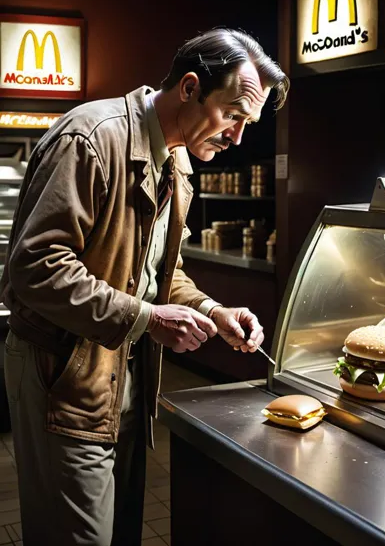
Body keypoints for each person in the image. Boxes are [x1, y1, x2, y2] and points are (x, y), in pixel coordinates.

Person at [0, 27, 290, 546]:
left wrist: (211, 308)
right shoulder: (91, 137)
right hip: (60, 374)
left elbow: (159, 273)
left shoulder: (177, 164)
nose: (237, 136)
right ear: (189, 87)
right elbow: (36, 267)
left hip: (123, 378)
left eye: (248, 123)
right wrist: (148, 319)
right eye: (232, 115)